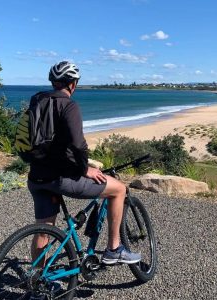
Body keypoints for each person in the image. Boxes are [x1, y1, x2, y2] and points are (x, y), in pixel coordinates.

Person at [27, 61, 141, 272]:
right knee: (119, 190)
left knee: (43, 231)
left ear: (53, 82)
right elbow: (78, 145)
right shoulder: (69, 105)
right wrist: (85, 169)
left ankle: (36, 280)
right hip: (61, 178)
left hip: (37, 177)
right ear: (73, 84)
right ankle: (113, 250)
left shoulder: (37, 100)